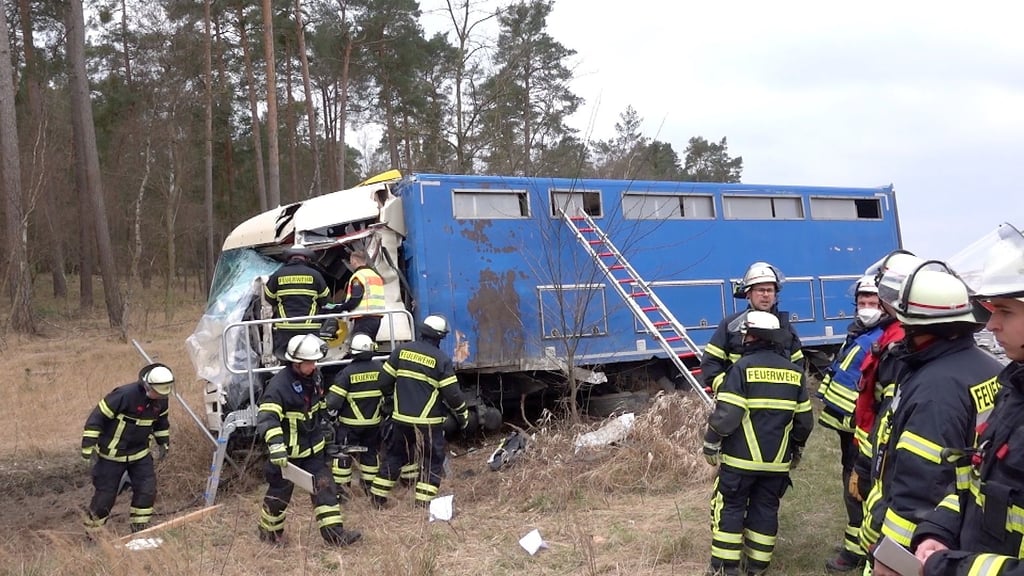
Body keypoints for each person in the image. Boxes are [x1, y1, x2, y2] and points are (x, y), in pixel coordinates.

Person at [862, 264, 1002, 576]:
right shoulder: (988, 367)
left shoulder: (934, 389)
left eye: (908, 327)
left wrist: (895, 555)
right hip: (964, 525)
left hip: (919, 545)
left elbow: (920, 490)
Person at [909, 223, 1024, 575]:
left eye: (1005, 311)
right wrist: (938, 530)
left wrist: (949, 568)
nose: (991, 325)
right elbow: (975, 482)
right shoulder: (1014, 391)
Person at [702, 311, 814, 576]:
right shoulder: (794, 373)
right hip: (776, 465)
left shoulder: (740, 369)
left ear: (751, 336)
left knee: (730, 507)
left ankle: (725, 568)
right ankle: (757, 568)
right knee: (766, 510)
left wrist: (711, 442)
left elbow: (728, 415)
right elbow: (805, 422)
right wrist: (795, 449)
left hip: (740, 462)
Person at [255, 334, 361, 546]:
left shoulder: (315, 377)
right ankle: (268, 534)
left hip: (313, 452)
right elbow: (267, 419)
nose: (314, 366)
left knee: (326, 489)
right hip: (287, 457)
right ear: (295, 362)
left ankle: (335, 536)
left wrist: (327, 426)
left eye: (315, 362)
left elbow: (317, 408)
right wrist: (276, 447)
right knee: (278, 498)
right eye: (309, 363)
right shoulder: (278, 387)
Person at [817, 276, 886, 572]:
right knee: (853, 485)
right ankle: (855, 544)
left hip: (865, 430)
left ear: (884, 305)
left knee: (858, 489)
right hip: (851, 428)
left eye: (873, 303)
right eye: (862, 303)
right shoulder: (859, 333)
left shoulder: (879, 338)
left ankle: (858, 552)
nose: (867, 308)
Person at [369, 315, 469, 508]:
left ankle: (377, 498)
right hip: (428, 424)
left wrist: (391, 400)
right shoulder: (441, 360)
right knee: (432, 460)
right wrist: (463, 415)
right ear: (439, 337)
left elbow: (383, 382)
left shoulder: (401, 351)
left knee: (396, 457)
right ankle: (422, 504)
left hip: (400, 420)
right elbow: (453, 396)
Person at [81, 363, 173, 533]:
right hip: (111, 456)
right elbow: (97, 418)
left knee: (147, 490)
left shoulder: (161, 399)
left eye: (162, 394)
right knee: (105, 497)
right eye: (156, 393)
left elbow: (161, 423)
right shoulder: (124, 395)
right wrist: (88, 447)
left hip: (140, 454)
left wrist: (163, 442)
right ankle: (92, 534)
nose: (158, 397)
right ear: (147, 385)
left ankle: (139, 529)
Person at [700, 262, 804, 393]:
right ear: (748, 293)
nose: (766, 295)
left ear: (775, 295)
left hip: (778, 404)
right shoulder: (731, 326)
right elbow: (710, 363)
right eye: (760, 290)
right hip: (741, 404)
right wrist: (727, 389)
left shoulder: (786, 328)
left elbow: (798, 365)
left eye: (770, 290)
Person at [325, 333, 385, 495]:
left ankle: (341, 491)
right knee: (370, 454)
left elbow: (333, 402)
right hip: (373, 424)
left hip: (349, 425)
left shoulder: (346, 373)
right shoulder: (381, 369)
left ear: (352, 351)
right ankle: (370, 487)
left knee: (343, 455)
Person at [263, 245, 331, 359]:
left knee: (287, 359)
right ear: (306, 258)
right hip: (310, 328)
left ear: (289, 258)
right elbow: (325, 299)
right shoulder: (315, 275)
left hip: (285, 327)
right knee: (310, 358)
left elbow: (269, 297)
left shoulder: (278, 275)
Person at [334, 249, 386, 341]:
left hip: (364, 317)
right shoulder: (375, 275)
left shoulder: (358, 276)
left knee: (359, 345)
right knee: (368, 344)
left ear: (354, 261)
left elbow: (356, 298)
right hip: (376, 317)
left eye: (350, 262)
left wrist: (341, 307)